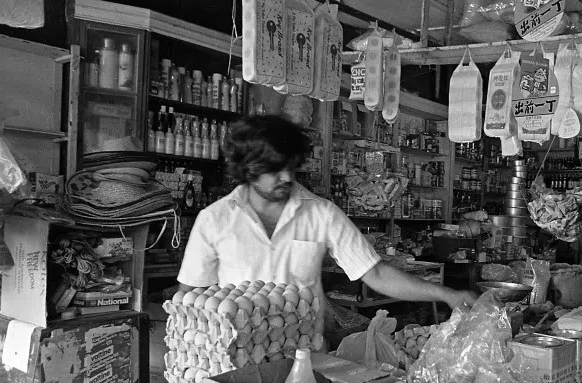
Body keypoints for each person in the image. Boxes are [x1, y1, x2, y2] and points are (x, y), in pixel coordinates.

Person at [177, 115, 477, 324]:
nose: (287, 177)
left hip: (303, 356)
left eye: (291, 167)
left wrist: (446, 294)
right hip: (234, 360)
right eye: (275, 169)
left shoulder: (322, 213)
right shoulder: (214, 220)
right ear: (248, 168)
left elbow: (375, 273)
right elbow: (191, 295)